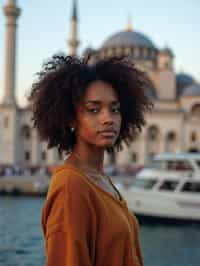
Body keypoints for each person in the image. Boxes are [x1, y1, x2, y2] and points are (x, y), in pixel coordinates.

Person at [28, 54, 152, 266]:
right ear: (70, 119)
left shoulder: (101, 179)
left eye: (115, 109)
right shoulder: (71, 186)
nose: (108, 119)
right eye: (93, 110)